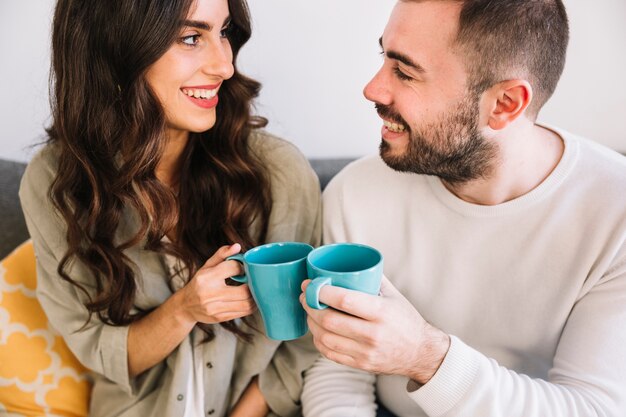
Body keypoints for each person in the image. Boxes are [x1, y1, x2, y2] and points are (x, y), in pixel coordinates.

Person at [299, 0, 626, 416]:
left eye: (405, 71)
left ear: (505, 104)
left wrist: (425, 356)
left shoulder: (616, 214)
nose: (373, 89)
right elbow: (337, 373)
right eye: (385, 57)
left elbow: (592, 409)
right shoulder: (356, 192)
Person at [19, 0, 321, 416]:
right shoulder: (54, 182)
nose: (224, 65)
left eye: (225, 32)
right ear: (116, 49)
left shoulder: (279, 173)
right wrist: (185, 310)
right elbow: (98, 348)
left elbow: (307, 340)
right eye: (192, 38)